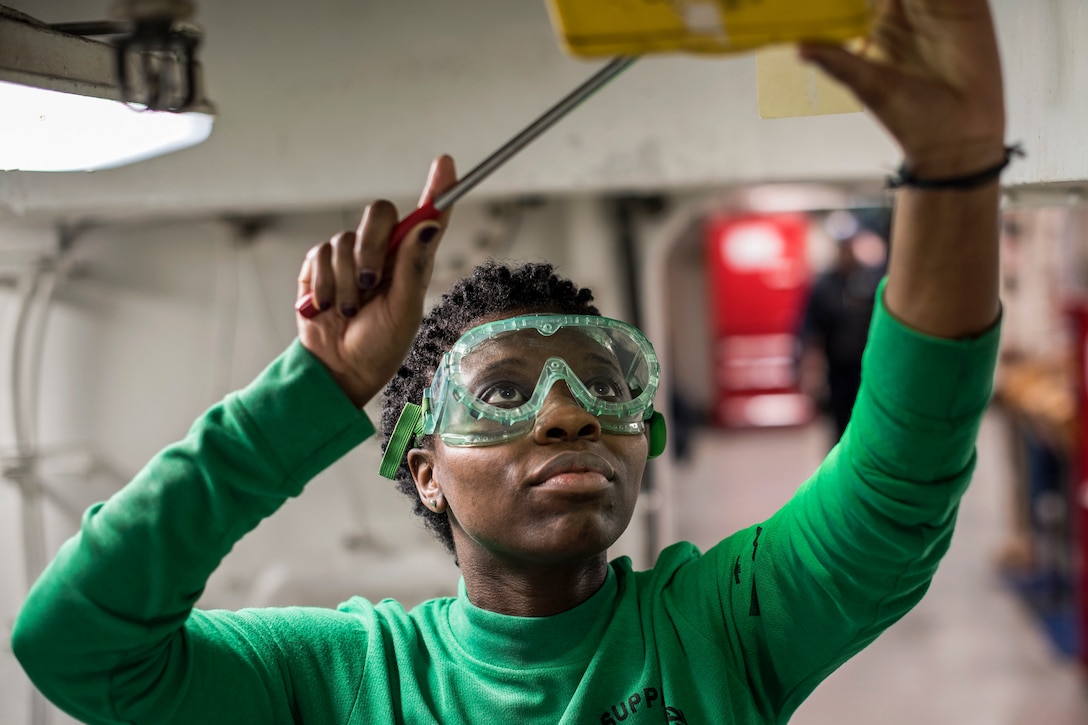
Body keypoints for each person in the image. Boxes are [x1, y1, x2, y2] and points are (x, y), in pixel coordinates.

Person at [13, 1, 1010, 722]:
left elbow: (893, 485)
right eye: (501, 389)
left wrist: (955, 169)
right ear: (424, 468)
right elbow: (78, 645)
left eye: (601, 383)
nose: (567, 413)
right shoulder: (342, 676)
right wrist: (314, 389)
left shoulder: (720, 627)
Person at [797, 210, 887, 444]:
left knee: (869, 425)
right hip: (837, 370)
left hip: (869, 368)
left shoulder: (872, 280)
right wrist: (809, 371)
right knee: (839, 426)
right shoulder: (824, 286)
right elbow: (809, 330)